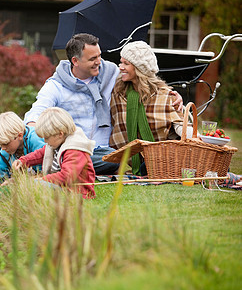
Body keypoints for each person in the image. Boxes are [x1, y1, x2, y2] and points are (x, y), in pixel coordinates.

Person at [24, 33, 183, 175]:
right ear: (75, 61)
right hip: (75, 148)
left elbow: (142, 79)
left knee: (114, 158)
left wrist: (172, 95)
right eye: (92, 59)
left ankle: (71, 168)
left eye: (99, 56)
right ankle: (66, 166)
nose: (98, 62)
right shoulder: (56, 86)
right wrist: (33, 133)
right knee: (87, 159)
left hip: (106, 150)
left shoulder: (112, 73)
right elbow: (37, 111)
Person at [110, 41, 192, 175]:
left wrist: (199, 139)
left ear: (139, 68)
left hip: (164, 158)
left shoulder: (164, 96)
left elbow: (180, 126)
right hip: (122, 157)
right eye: (121, 62)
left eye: (126, 63)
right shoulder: (117, 93)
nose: (120, 67)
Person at [13, 107, 96, 199]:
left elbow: (66, 176)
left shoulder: (75, 150)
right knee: (34, 185)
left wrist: (43, 179)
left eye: (47, 137)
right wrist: (23, 161)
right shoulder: (57, 143)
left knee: (35, 185)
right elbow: (40, 154)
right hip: (65, 188)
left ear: (60, 134)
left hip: (79, 192)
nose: (44, 141)